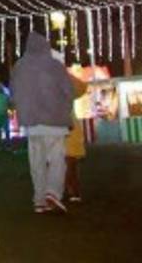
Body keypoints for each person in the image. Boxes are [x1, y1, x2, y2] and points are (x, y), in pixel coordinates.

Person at [11, 32, 75, 214]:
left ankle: (39, 200)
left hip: (31, 123)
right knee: (56, 159)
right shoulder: (54, 65)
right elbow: (68, 91)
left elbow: (14, 94)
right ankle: (53, 192)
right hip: (54, 120)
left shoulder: (19, 67)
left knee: (36, 161)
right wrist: (65, 108)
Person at [64, 71, 89, 204]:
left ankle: (72, 191)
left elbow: (82, 87)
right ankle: (67, 191)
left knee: (70, 162)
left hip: (68, 129)